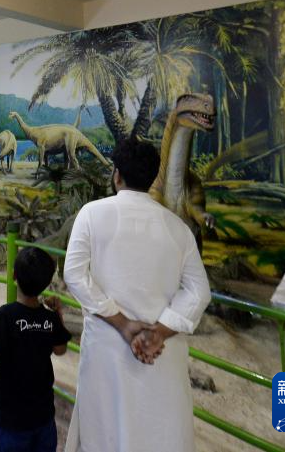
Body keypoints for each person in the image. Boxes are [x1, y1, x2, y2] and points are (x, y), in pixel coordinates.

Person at [63, 137, 211, 452]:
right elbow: (199, 291)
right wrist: (159, 332)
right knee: (158, 432)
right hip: (160, 354)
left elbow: (74, 274)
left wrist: (122, 323)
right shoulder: (178, 228)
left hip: (106, 349)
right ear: (153, 178)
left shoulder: (91, 214)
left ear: (116, 175)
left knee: (103, 430)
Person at [0, 248, 71, 452]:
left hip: (12, 417)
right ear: (47, 283)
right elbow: (60, 349)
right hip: (44, 416)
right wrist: (58, 314)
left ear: (14, 276)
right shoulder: (49, 317)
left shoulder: (6, 315)